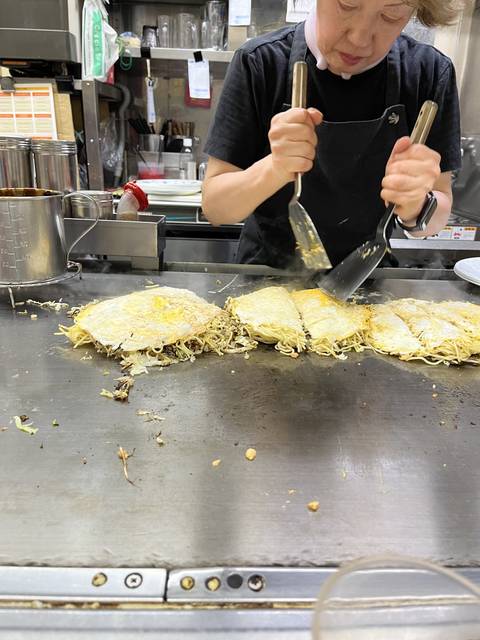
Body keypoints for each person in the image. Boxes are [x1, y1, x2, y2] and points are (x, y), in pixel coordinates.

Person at [202, 0, 463, 268]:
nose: (359, 39)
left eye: (390, 16)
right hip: (266, 283)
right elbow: (216, 208)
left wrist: (418, 204)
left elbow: (438, 211)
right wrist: (275, 168)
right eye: (347, 5)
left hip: (366, 280)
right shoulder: (260, 62)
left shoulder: (428, 73)